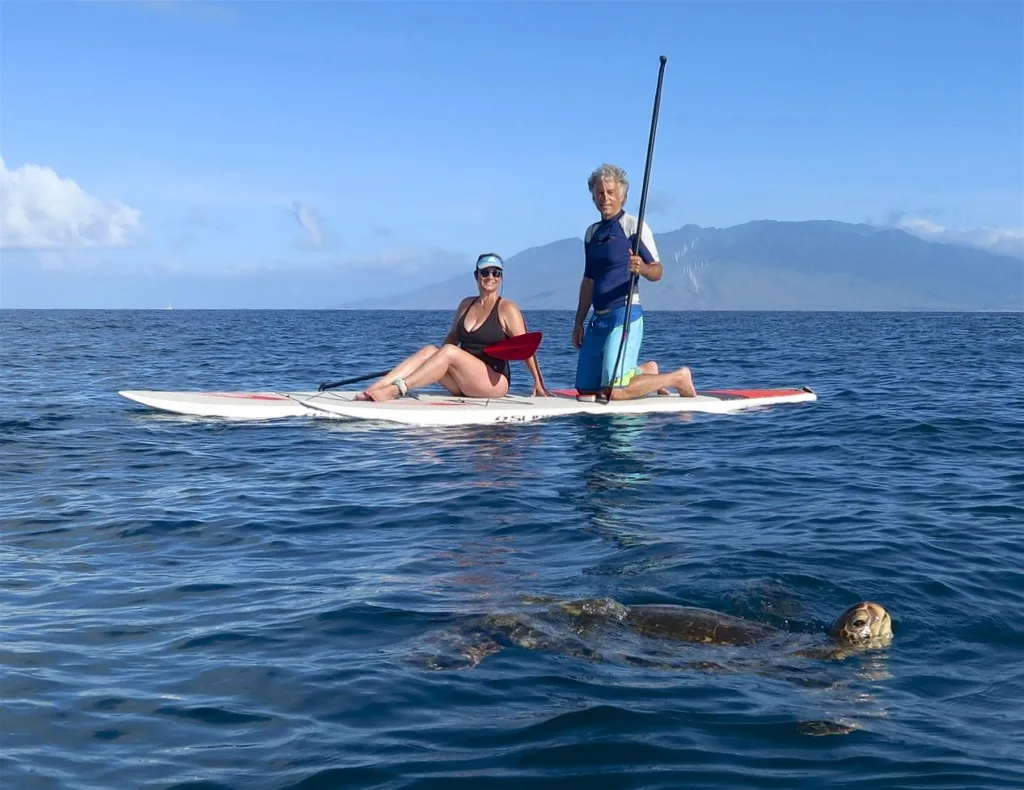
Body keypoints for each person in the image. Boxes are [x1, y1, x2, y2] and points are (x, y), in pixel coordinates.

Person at [571, 163, 697, 401]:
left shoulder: (632, 227)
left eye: (610, 193)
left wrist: (644, 268)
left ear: (622, 197)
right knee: (586, 390)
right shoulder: (591, 234)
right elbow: (588, 280)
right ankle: (645, 371)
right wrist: (578, 322)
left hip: (625, 314)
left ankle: (678, 377)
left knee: (613, 392)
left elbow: (658, 272)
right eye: (599, 193)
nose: (604, 198)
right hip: (599, 318)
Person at [356, 253, 550, 402]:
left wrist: (538, 383)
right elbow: (452, 337)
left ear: (500, 278)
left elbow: (526, 348)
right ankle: (376, 388)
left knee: (448, 352)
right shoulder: (466, 305)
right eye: (485, 272)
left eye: (496, 273)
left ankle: (396, 390)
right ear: (476, 275)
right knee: (429, 350)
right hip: (462, 382)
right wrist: (434, 362)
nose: (490, 276)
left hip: (493, 382)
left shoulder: (507, 308)